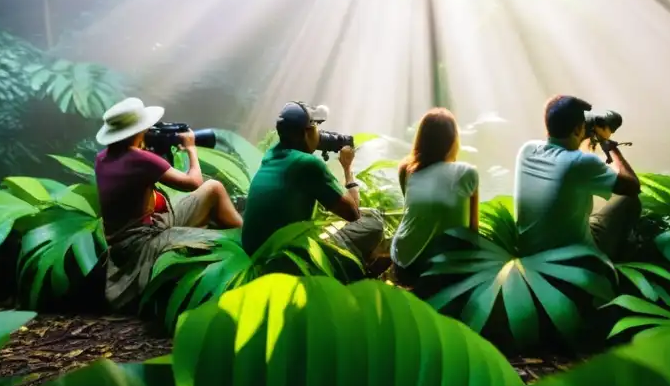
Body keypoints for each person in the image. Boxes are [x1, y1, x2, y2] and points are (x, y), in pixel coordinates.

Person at [94, 97, 243, 310]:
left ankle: (242, 236)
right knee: (222, 241)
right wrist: (191, 149)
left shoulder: (102, 158)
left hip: (125, 240)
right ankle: (247, 246)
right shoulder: (142, 160)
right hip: (144, 241)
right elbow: (194, 182)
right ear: (139, 131)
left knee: (214, 189)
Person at [241, 101, 387, 270]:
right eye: (317, 126)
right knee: (374, 221)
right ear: (307, 132)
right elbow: (353, 213)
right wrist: (348, 168)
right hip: (283, 259)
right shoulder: (307, 164)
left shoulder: (272, 154)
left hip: (255, 252)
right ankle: (352, 271)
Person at [514, 95, 641, 259]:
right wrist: (610, 147)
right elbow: (632, 186)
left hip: (531, 253)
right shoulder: (581, 163)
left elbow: (564, 150)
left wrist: (583, 131)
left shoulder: (527, 150)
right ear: (577, 129)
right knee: (629, 200)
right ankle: (619, 257)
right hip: (575, 257)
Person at [391, 108, 479, 283]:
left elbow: (418, 214)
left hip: (403, 261)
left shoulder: (408, 170)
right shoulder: (467, 173)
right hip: (443, 269)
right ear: (453, 140)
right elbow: (473, 231)